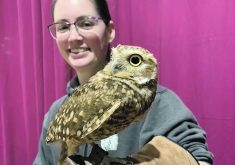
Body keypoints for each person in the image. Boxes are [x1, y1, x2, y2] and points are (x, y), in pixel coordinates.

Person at [34, 0, 214, 164]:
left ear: (110, 30)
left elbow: (199, 158)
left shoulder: (158, 102)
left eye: (86, 23)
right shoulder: (56, 112)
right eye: (63, 27)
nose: (74, 37)